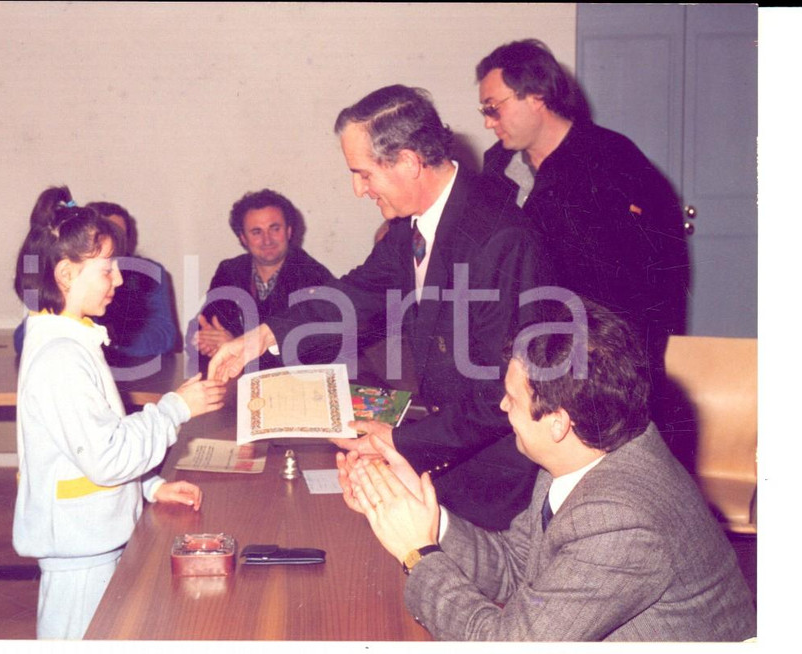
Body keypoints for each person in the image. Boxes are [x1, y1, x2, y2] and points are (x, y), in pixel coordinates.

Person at [209, 86, 554, 530]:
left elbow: (500, 398)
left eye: (364, 174)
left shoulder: (497, 236)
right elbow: (356, 294)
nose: (358, 190)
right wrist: (264, 335)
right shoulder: (413, 224)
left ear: (409, 162)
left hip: (496, 480)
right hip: (450, 456)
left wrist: (399, 440)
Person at [338, 299, 756, 641]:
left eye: (512, 400)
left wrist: (418, 553)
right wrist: (427, 516)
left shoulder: (621, 522)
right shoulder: (584, 451)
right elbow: (518, 569)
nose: (503, 408)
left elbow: (506, 646)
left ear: (558, 422)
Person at [11, 192, 225, 639]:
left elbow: (92, 441)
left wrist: (150, 485)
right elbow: (106, 457)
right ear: (66, 274)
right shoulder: (59, 358)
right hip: (80, 552)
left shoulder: (75, 338)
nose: (119, 279)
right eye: (107, 268)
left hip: (95, 537)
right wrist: (176, 408)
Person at [475, 39, 689, 404]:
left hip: (601, 359)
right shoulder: (496, 166)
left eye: (494, 108)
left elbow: (660, 273)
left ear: (537, 95)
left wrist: (629, 358)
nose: (487, 121)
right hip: (525, 352)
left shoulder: (612, 160)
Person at [13, 189, 180, 367]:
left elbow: (165, 336)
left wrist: (107, 340)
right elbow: (24, 337)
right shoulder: (64, 290)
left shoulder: (149, 275)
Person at [190, 188, 334, 372]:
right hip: (235, 379)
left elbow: (313, 353)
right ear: (243, 238)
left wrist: (238, 346)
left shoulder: (314, 277)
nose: (267, 240)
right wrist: (208, 342)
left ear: (289, 231)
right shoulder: (229, 271)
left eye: (275, 229)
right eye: (256, 232)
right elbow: (210, 330)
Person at [86, 200, 181, 367]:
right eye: (104, 237)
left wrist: (111, 340)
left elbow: (165, 336)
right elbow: (29, 334)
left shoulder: (149, 274)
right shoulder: (70, 277)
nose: (113, 244)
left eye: (119, 236)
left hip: (134, 373)